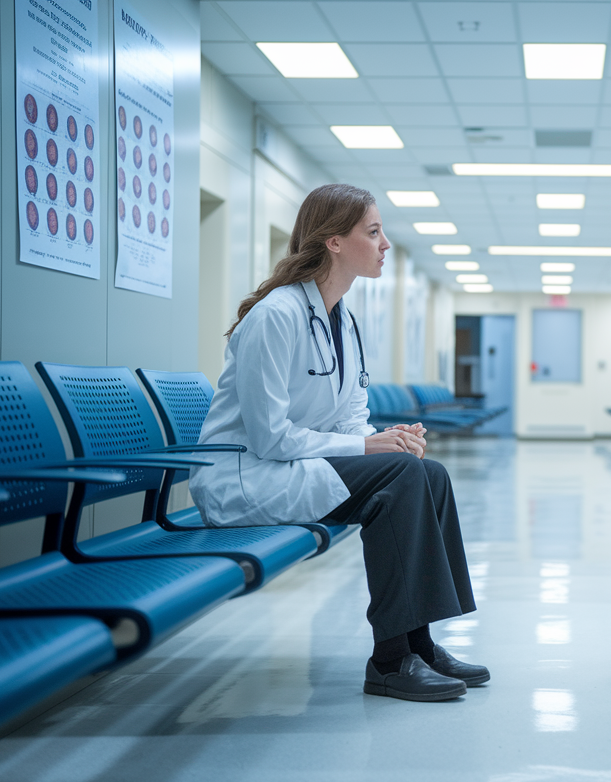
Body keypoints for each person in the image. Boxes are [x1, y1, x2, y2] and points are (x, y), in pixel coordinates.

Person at [189, 183, 488, 702]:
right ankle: (391, 660)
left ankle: (420, 643)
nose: (385, 244)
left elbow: (351, 415)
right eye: (373, 232)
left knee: (427, 472)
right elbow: (269, 436)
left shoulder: (341, 318)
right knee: (399, 476)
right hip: (244, 479)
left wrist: (384, 438)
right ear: (333, 241)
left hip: (292, 469)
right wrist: (369, 450)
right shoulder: (276, 315)